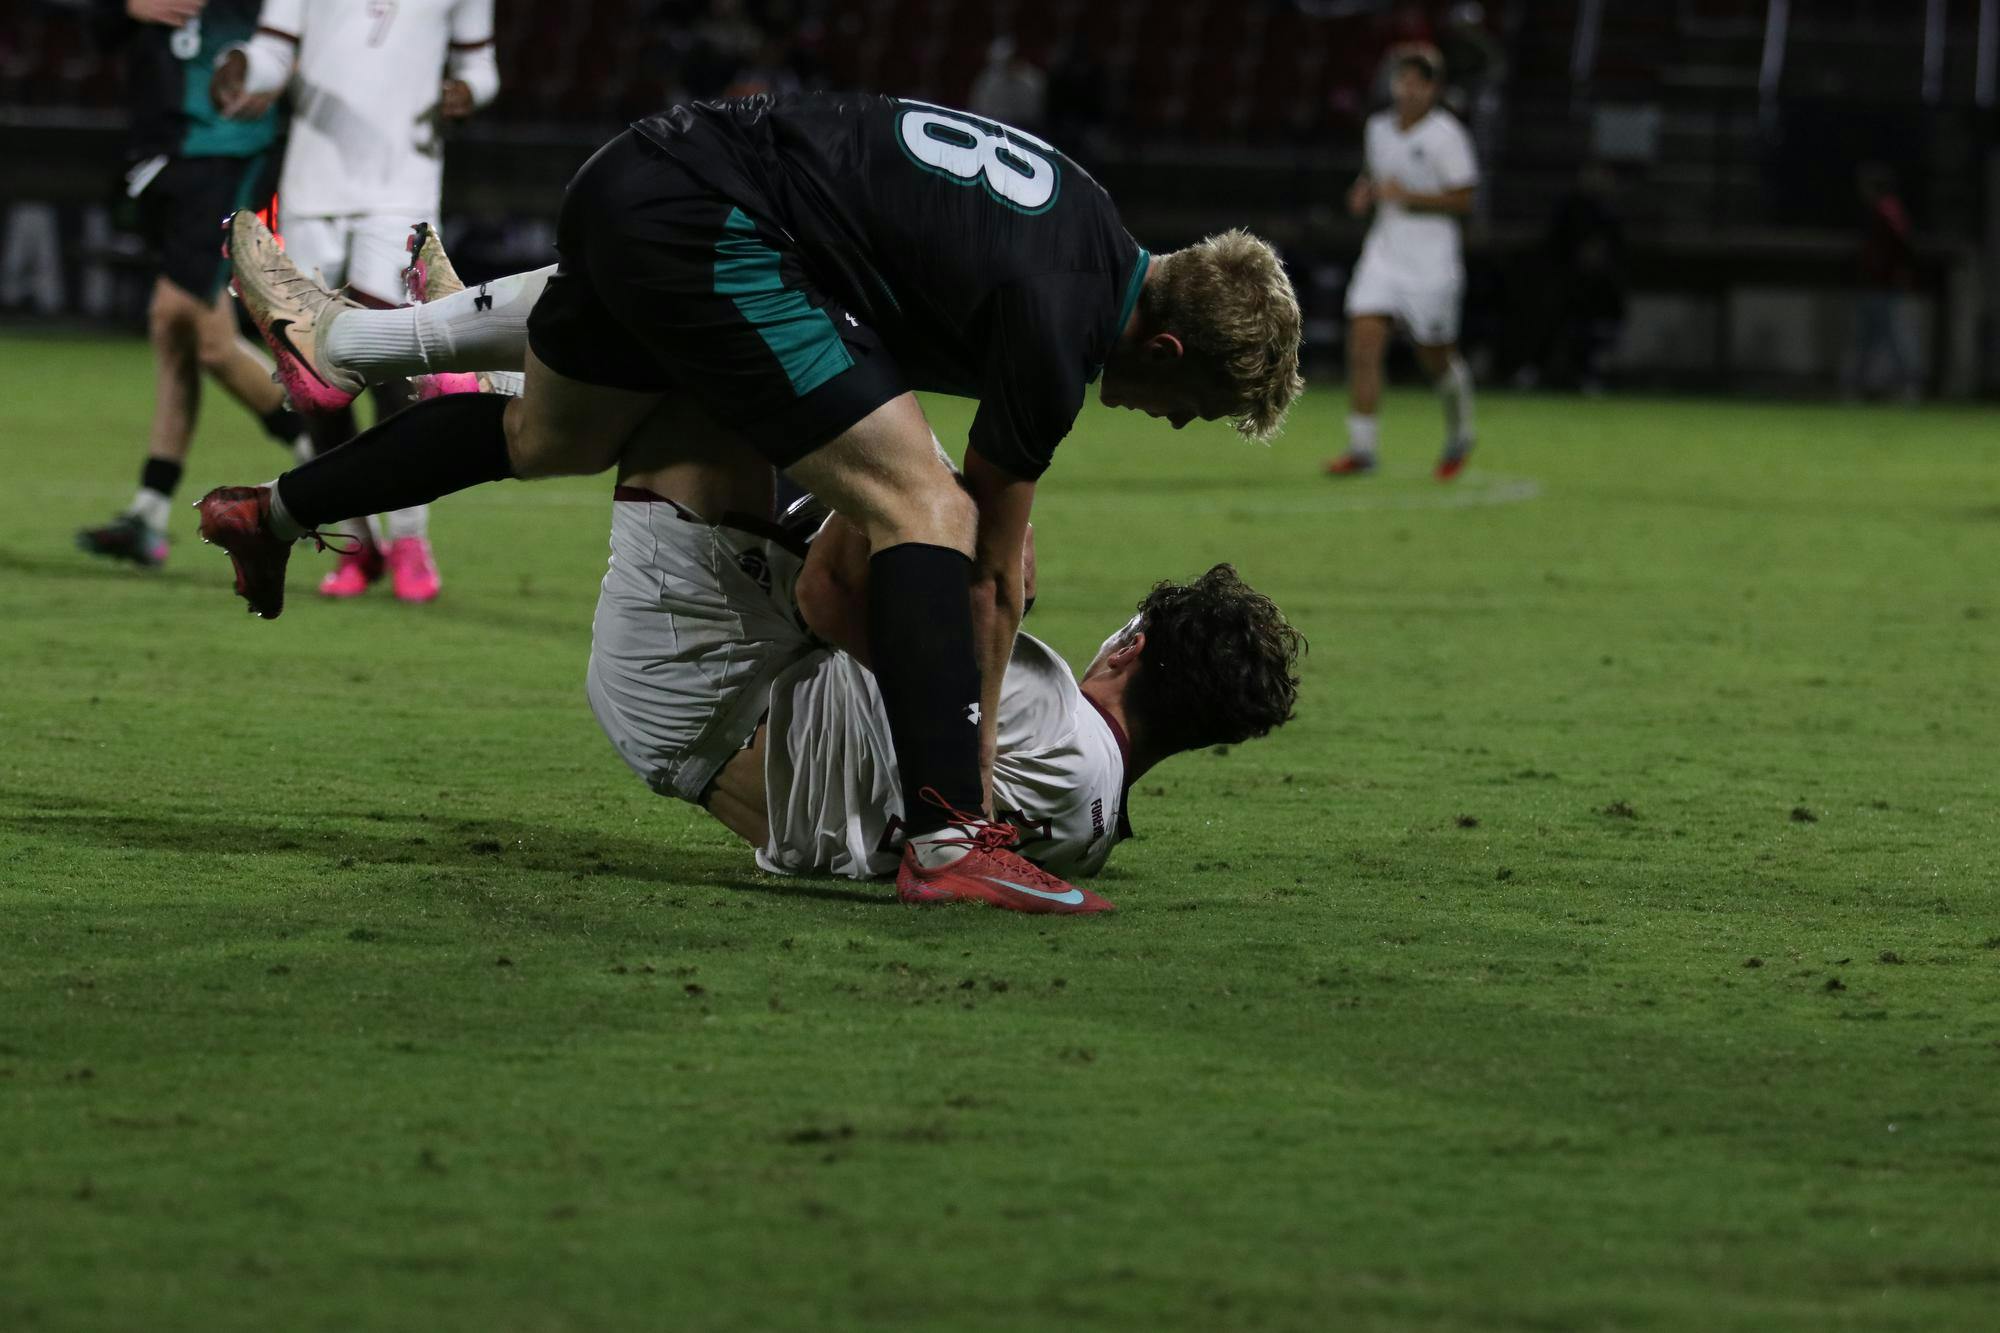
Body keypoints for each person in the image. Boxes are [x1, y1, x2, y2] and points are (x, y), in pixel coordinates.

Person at [198, 91, 1303, 909]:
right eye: (1190, 404)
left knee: (549, 436)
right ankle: (949, 841)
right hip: (713, 223)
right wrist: (971, 786)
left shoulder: (1080, 226)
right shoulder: (1063, 328)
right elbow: (988, 565)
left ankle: (287, 490)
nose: (1167, 421)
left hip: (658, 182)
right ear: (1163, 347)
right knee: (924, 508)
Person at [208, 0, 499, 603]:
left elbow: (483, 66)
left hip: (404, 182)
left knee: (401, 366)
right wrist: (240, 67)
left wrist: (467, 91)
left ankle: (412, 538)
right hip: (315, 184)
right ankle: (354, 539)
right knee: (316, 377)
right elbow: (273, 52)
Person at [75, 0, 311, 570]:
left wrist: (279, 77)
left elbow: (302, 27)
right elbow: (99, 30)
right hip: (162, 154)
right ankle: (150, 511)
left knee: (202, 334)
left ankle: (327, 457)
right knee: (173, 330)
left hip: (224, 152)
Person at [1325, 51, 1479, 481]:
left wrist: (1410, 196)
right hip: (1384, 254)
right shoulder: (1377, 129)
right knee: (1363, 342)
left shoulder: (1447, 136)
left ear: (1433, 90)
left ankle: (1460, 432)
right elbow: (1373, 179)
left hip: (1431, 262)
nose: (1408, 90)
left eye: (1418, 83)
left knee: (1436, 357)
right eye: (1402, 81)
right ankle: (1362, 448)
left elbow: (1465, 199)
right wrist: (1362, 193)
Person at [1846, 162, 1922, 402]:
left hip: (1885, 286)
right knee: (1866, 339)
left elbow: (1903, 245)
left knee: (1894, 338)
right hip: (1873, 285)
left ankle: (1909, 386)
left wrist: (1901, 273)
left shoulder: (1887, 210)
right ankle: (1856, 388)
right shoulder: (1878, 210)